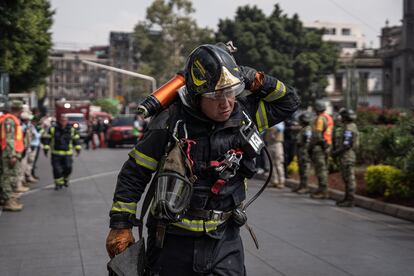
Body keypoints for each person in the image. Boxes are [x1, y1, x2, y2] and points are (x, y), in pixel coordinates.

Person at [105, 43, 300, 275]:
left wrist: (257, 79)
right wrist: (121, 224)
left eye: (231, 92)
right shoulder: (169, 123)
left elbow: (290, 101)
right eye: (217, 95)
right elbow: (134, 173)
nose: (226, 103)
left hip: (225, 240)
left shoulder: (245, 115)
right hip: (171, 242)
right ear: (197, 96)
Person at [41, 115, 81, 190]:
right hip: (56, 153)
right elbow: (47, 139)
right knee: (57, 169)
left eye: (65, 120)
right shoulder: (53, 129)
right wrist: (46, 149)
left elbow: (76, 139)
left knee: (68, 168)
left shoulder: (72, 129)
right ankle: (58, 184)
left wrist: (78, 149)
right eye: (62, 120)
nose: (63, 122)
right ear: (59, 121)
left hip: (67, 154)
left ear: (67, 121)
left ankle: (65, 179)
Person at [0, 100, 26, 211]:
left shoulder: (10, 119)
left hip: (9, 152)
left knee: (8, 176)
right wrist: (12, 155)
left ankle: (7, 198)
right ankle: (8, 201)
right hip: (8, 154)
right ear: (18, 109)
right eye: (21, 109)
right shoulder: (10, 121)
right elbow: (9, 139)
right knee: (8, 177)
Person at [332, 109, 359, 207]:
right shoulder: (352, 126)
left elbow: (346, 145)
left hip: (347, 156)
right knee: (347, 178)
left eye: (342, 117)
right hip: (347, 155)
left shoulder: (348, 128)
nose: (340, 118)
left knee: (349, 178)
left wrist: (336, 152)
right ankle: (347, 198)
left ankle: (350, 200)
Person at [309, 100, 334, 199]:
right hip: (327, 144)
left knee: (321, 169)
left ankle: (323, 191)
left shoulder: (320, 119)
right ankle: (321, 189)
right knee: (323, 168)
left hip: (320, 146)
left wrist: (311, 146)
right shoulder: (329, 117)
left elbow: (317, 134)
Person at [292, 111, 313, 194]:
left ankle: (305, 187)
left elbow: (307, 142)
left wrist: (306, 152)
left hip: (305, 152)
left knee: (305, 170)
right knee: (301, 169)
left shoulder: (307, 129)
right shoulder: (303, 129)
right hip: (301, 151)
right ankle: (301, 185)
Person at [264, 121, 285, 188]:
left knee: (278, 163)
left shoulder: (280, 122)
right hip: (270, 144)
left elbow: (281, 128)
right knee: (271, 163)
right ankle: (274, 181)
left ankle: (281, 181)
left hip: (277, 143)